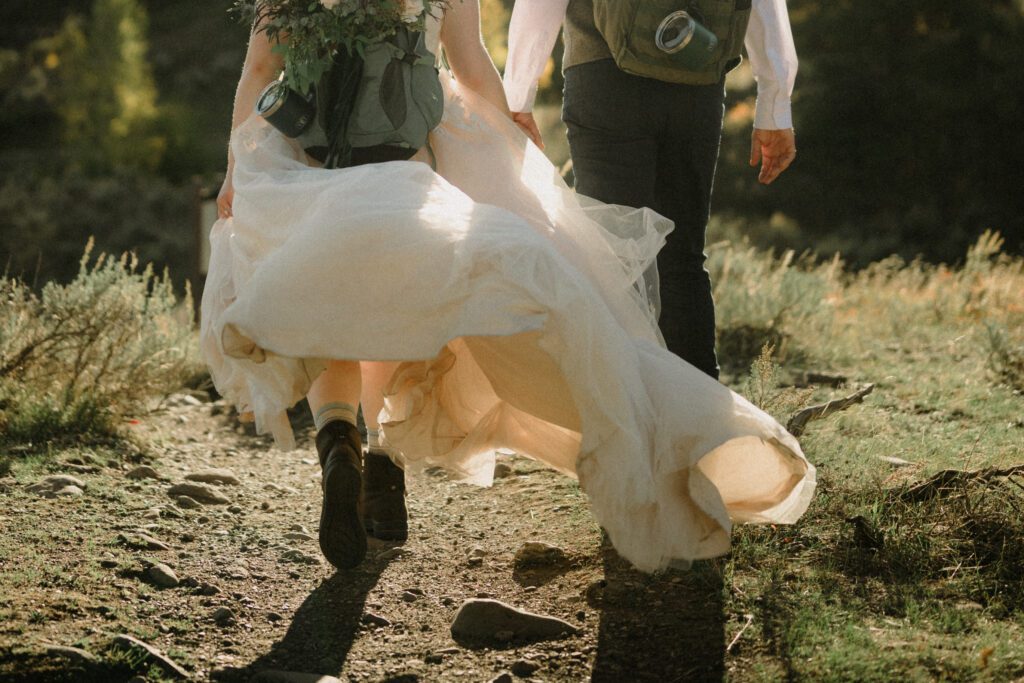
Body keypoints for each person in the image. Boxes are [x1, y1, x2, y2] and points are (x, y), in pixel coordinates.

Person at [202, 0, 815, 573]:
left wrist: (239, 164)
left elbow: (262, 67)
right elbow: (469, 65)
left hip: (308, 152)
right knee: (398, 301)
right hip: (409, 153)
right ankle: (383, 463)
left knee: (327, 304)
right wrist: (510, 134)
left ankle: (339, 440)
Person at [503, 0, 799, 380]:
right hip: (696, 72)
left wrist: (518, 95)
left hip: (603, 74)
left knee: (613, 257)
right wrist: (775, 105)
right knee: (684, 256)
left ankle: (626, 408)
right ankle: (701, 417)